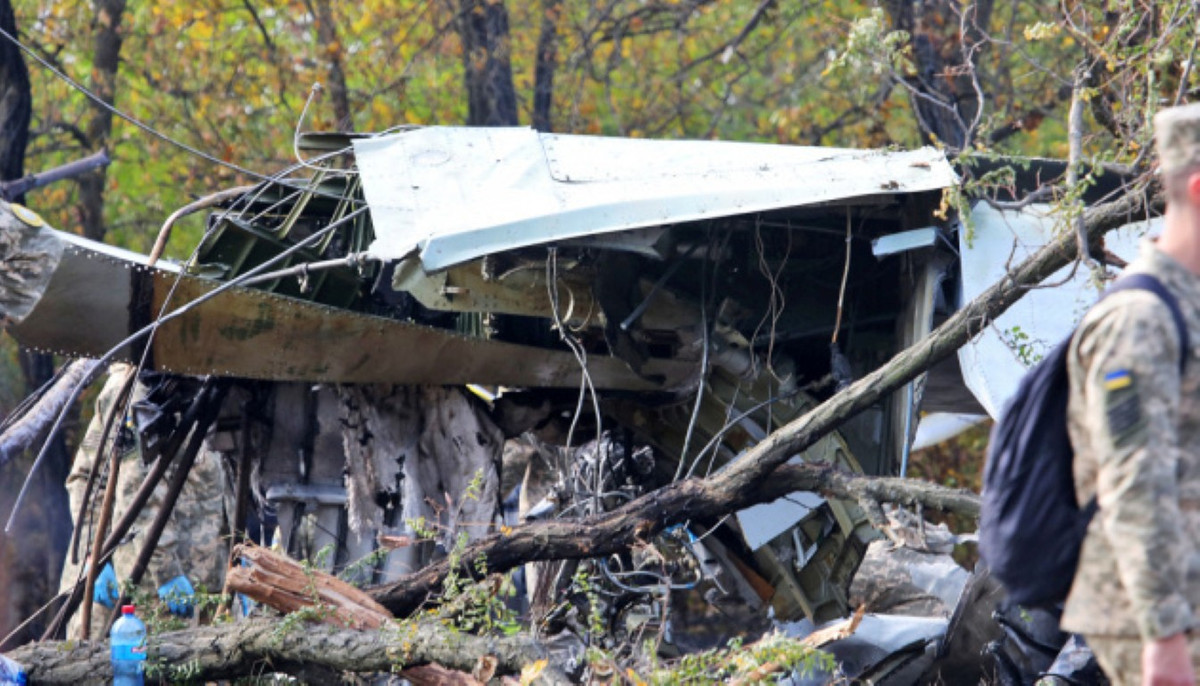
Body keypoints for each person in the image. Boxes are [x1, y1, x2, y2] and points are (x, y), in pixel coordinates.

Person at [1063, 102, 1200, 685]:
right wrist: (1165, 637)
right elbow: (1132, 483)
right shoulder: (1138, 320)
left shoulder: (1185, 308)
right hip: (1162, 621)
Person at [59, 364, 234, 639]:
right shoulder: (141, 386)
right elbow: (129, 488)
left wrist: (237, 562)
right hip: (140, 589)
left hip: (199, 583)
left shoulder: (211, 387)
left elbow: (219, 485)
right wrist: (93, 555)